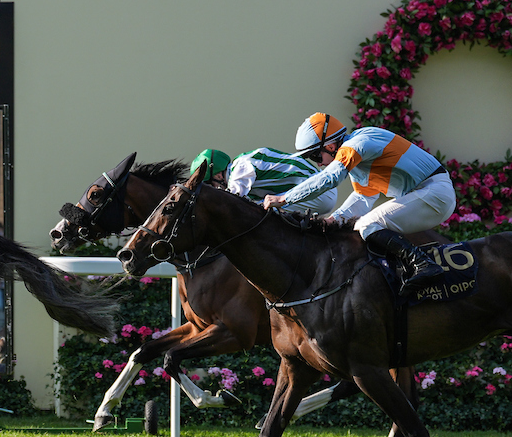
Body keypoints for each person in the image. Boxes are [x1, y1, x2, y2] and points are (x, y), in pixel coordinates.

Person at [263, 113, 455, 298]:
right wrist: (332, 220)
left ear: (330, 146)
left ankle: (422, 264)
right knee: (361, 225)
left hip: (434, 192)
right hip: (429, 193)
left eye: (316, 156)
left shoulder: (357, 145)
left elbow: (329, 178)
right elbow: (363, 199)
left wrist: (284, 198)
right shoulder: (360, 162)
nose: (319, 164)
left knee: (367, 225)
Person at [190, 146, 339, 217]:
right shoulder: (240, 164)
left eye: (210, 185)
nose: (214, 189)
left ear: (218, 176)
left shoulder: (240, 167)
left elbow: (230, 204)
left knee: (255, 212)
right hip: (319, 193)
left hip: (321, 193)